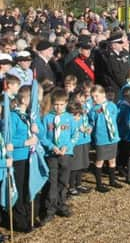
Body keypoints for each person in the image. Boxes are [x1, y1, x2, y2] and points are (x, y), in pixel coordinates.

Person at [39, 88, 76, 223]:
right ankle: (50, 209)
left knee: (63, 181)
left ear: (66, 103)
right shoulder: (47, 118)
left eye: (61, 104)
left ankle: (61, 204)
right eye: (56, 104)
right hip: (52, 154)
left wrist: (68, 146)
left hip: (66, 154)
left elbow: (75, 134)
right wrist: (51, 146)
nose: (58, 107)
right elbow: (42, 137)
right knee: (52, 182)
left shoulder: (69, 118)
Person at [10, 80, 39, 232]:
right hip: (18, 158)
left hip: (29, 157)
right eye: (31, 98)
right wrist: (26, 142)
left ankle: (30, 216)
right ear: (23, 99)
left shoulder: (29, 116)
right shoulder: (13, 117)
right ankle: (20, 221)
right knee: (19, 190)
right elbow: (9, 139)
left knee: (28, 187)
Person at [88, 85, 122, 193]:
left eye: (96, 96)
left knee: (112, 159)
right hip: (101, 138)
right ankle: (99, 184)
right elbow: (91, 123)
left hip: (112, 137)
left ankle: (112, 180)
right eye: (92, 97)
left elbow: (115, 117)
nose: (94, 99)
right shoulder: (94, 110)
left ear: (103, 95)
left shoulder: (112, 106)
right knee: (100, 161)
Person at [67, 94, 92, 196]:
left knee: (81, 164)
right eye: (80, 100)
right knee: (74, 166)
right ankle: (71, 186)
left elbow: (87, 123)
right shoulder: (72, 113)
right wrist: (78, 127)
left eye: (83, 101)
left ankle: (79, 183)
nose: (82, 103)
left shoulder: (83, 113)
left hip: (85, 140)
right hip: (76, 143)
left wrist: (89, 128)